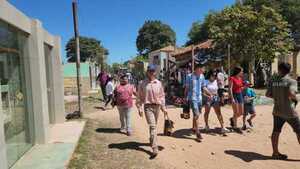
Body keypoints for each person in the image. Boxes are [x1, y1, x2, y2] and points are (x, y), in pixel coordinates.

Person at [266, 62, 300, 160]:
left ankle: (275, 153)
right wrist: (296, 99)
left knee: (276, 131)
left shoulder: (273, 81)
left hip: (277, 110)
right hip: (290, 112)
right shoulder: (291, 81)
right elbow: (291, 93)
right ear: (289, 70)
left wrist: (277, 97)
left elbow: (268, 94)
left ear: (279, 69)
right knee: (298, 131)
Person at [136, 64, 168, 157]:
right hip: (148, 107)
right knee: (153, 126)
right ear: (147, 72)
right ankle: (154, 148)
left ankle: (151, 139)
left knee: (153, 126)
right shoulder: (142, 83)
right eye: (150, 71)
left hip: (157, 107)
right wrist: (139, 108)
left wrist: (164, 108)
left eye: (153, 71)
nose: (152, 72)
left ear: (155, 72)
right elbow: (139, 97)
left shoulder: (158, 83)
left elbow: (162, 96)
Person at [184, 64, 212, 142]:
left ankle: (193, 128)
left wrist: (209, 93)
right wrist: (185, 97)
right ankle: (198, 132)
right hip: (192, 97)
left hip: (199, 98)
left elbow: (203, 87)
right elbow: (187, 87)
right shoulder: (189, 76)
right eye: (202, 69)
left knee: (197, 114)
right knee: (196, 114)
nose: (203, 70)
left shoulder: (202, 76)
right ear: (197, 69)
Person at [229, 66, 244, 133]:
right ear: (238, 71)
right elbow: (230, 89)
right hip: (234, 95)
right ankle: (235, 126)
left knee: (241, 112)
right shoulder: (232, 78)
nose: (242, 72)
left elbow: (240, 87)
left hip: (239, 94)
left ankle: (232, 119)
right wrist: (232, 98)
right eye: (241, 71)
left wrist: (245, 87)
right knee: (236, 112)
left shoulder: (240, 78)